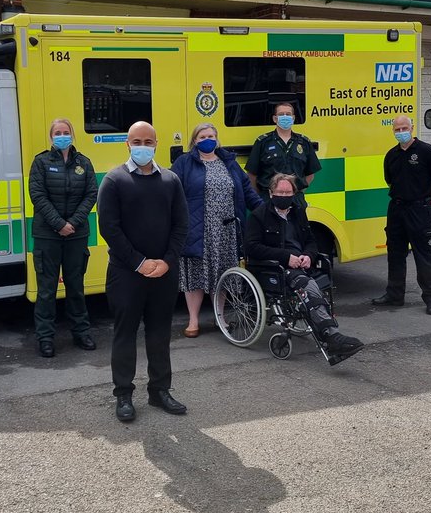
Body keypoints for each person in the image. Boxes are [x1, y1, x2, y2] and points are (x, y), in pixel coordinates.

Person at [97, 121, 189, 422]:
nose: (142, 146)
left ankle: (160, 390)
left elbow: (181, 225)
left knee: (160, 334)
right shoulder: (113, 180)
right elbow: (109, 229)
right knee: (125, 334)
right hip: (126, 274)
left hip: (164, 272)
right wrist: (139, 262)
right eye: (136, 141)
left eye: (148, 141)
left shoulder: (171, 181)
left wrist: (167, 261)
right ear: (127, 144)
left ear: (156, 144)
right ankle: (123, 395)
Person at [244, 173, 365, 366]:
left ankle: (330, 333)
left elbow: (310, 241)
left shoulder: (299, 212)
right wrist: (286, 257)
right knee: (308, 286)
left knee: (313, 284)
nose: (284, 195)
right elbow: (251, 247)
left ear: (294, 193)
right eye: (280, 192)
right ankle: (331, 335)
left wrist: (308, 255)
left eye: (288, 192)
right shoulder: (259, 215)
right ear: (271, 192)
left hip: (300, 264)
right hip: (275, 267)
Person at [169, 123, 263, 338]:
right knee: (195, 276)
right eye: (202, 136)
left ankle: (219, 317)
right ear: (195, 140)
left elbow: (248, 191)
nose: (207, 139)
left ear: (217, 138)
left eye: (211, 135)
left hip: (227, 230)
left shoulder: (229, 162)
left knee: (223, 275)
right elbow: (171, 192)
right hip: (198, 228)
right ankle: (193, 321)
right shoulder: (184, 162)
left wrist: (265, 211)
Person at [28, 118, 98, 358]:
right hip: (47, 235)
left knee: (76, 287)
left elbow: (91, 194)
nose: (62, 136)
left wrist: (73, 224)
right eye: (57, 132)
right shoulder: (41, 162)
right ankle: (45, 338)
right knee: (46, 289)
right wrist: (59, 224)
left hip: (76, 235)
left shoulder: (84, 163)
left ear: (72, 135)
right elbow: (37, 195)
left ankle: (82, 332)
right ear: (51, 137)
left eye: (66, 132)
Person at [372, 115, 431, 315]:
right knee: (395, 254)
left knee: (424, 255)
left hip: (419, 210)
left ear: (412, 128)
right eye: (397, 129)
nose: (401, 132)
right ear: (393, 131)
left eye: (404, 128)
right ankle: (395, 295)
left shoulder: (427, 152)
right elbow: (390, 181)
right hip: (396, 209)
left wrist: (421, 198)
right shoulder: (391, 155)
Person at [245, 102, 322, 206]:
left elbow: (310, 175)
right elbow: (252, 175)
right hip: (269, 200)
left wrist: (295, 190)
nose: (285, 117)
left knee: (298, 223)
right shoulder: (263, 142)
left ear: (293, 118)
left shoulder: (304, 142)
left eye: (288, 114)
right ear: (275, 119)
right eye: (281, 114)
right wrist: (263, 195)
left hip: (296, 200)